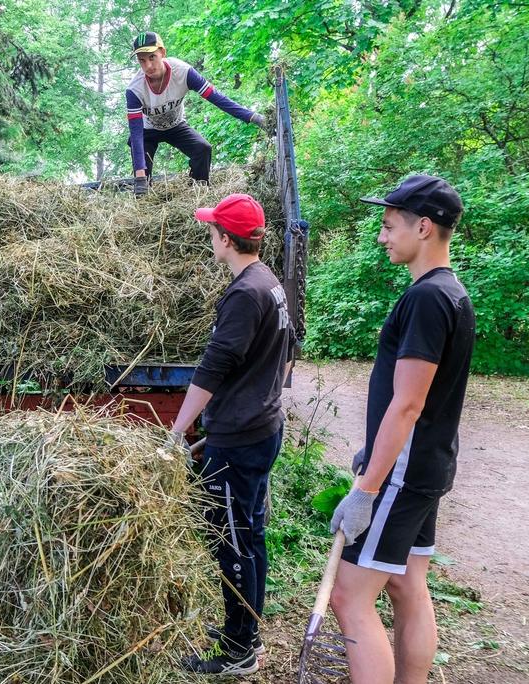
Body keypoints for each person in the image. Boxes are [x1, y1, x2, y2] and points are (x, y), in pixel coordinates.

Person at [328, 175, 474, 684]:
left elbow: (408, 404)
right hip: (427, 466)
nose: (382, 237)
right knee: (407, 584)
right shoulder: (451, 293)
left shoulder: (427, 300)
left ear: (425, 227)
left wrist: (369, 488)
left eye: (390, 227)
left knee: (350, 597)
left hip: (403, 474)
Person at [170, 194, 293, 675]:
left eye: (212, 231)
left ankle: (240, 652)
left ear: (226, 238)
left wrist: (177, 431)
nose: (209, 237)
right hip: (261, 427)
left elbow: (213, 367)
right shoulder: (270, 283)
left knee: (233, 539)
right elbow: (287, 350)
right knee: (250, 532)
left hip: (239, 438)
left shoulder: (245, 293)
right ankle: (246, 631)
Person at [125, 31, 266, 197]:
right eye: (142, 60)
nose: (148, 66)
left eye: (152, 57)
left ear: (162, 52)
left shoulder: (183, 72)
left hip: (175, 126)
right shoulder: (134, 89)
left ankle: (198, 194)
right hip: (147, 131)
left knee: (203, 149)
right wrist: (140, 177)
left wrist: (254, 118)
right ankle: (142, 203)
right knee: (142, 176)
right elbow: (135, 133)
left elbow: (218, 98)